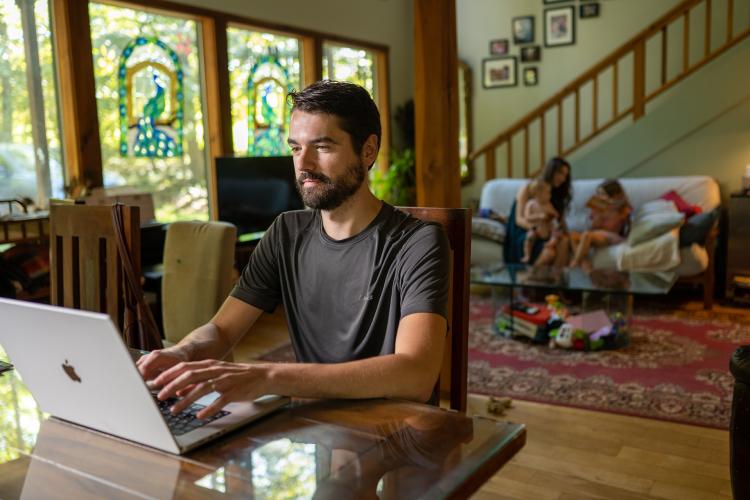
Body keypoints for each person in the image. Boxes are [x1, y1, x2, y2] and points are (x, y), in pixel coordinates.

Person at [137, 80, 450, 419]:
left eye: (323, 147)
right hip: (312, 428)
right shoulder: (286, 232)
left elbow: (416, 374)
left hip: (392, 432)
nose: (304, 165)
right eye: (296, 148)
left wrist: (269, 375)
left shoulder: (417, 242)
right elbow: (223, 330)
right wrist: (185, 352)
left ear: (368, 150)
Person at [504, 157, 572, 266]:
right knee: (549, 252)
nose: (563, 179)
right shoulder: (529, 187)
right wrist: (538, 230)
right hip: (525, 230)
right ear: (551, 171)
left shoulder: (558, 194)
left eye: (565, 176)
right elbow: (519, 219)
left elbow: (561, 222)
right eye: (560, 173)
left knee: (564, 241)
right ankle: (530, 278)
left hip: (547, 232)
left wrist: (565, 234)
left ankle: (557, 280)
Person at [569, 178, 632, 268]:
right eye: (598, 193)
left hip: (610, 237)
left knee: (587, 235)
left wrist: (612, 207)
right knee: (572, 236)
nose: (598, 196)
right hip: (597, 234)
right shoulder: (598, 205)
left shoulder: (622, 209)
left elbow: (628, 222)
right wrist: (597, 213)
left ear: (613, 196)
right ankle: (586, 265)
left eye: (602, 194)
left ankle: (575, 262)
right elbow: (594, 226)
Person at [520, 178, 559, 264]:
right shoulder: (531, 204)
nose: (550, 195)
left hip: (547, 228)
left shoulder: (548, 204)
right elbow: (527, 217)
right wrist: (538, 216)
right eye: (547, 192)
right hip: (536, 228)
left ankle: (551, 242)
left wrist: (554, 214)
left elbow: (554, 213)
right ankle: (527, 255)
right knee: (529, 237)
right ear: (538, 194)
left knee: (556, 231)